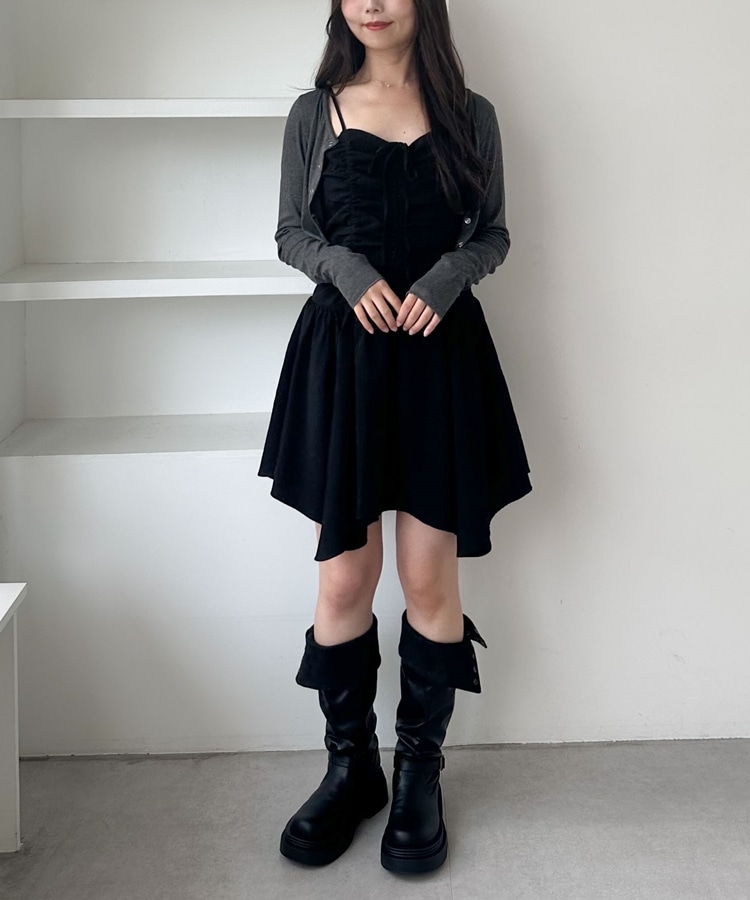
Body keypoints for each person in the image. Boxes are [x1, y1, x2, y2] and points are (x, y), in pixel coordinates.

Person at [257, 0, 532, 874]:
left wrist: (450, 275)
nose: (371, 3)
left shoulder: (472, 115)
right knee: (345, 576)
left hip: (440, 363)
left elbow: (494, 233)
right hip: (343, 365)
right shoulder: (315, 112)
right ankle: (352, 770)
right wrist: (344, 266)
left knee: (426, 577)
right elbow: (291, 232)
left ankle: (419, 773)